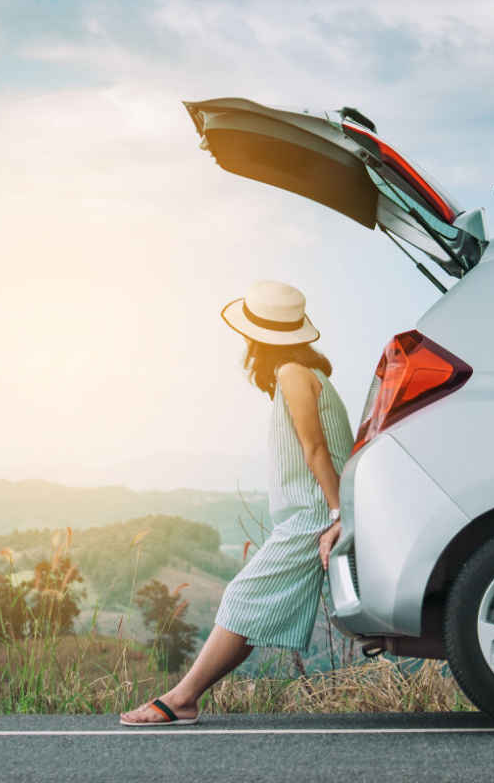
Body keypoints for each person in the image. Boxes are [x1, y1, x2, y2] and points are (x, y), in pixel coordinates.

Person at [120, 279, 355, 726]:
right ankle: (183, 697)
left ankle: (182, 699)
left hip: (313, 514)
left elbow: (316, 450)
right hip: (313, 511)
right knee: (246, 599)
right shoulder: (308, 372)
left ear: (259, 338)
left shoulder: (290, 372)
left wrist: (338, 513)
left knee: (243, 596)